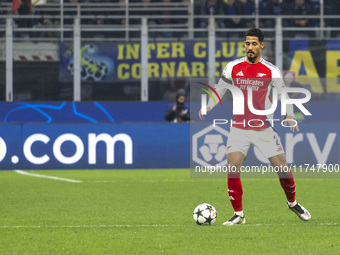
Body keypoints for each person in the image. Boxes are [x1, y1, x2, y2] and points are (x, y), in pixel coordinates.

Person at [198, 28, 311, 225]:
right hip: (239, 127)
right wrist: (208, 105)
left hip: (263, 128)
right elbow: (220, 89)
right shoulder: (232, 67)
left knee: (282, 169)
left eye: (253, 44)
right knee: (233, 167)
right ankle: (238, 214)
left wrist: (290, 115)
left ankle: (292, 203)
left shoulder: (271, 71)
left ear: (261, 45)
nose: (249, 47)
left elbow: (283, 95)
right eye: (247, 44)